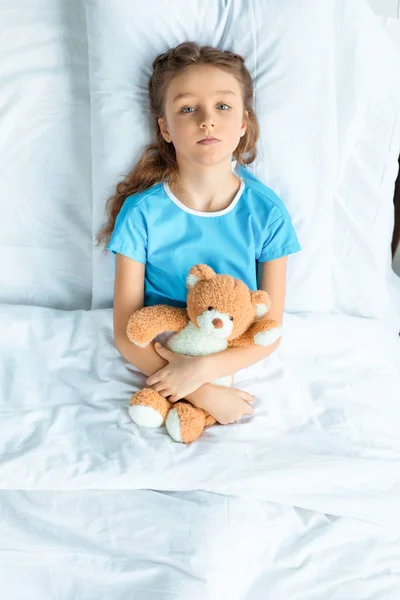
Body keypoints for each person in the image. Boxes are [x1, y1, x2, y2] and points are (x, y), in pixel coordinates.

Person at [97, 41, 301, 425]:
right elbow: (127, 334)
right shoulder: (141, 213)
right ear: (165, 129)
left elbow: (268, 330)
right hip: (162, 349)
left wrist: (203, 369)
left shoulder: (267, 213)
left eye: (222, 106)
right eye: (187, 108)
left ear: (243, 122)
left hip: (229, 348)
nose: (206, 120)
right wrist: (204, 392)